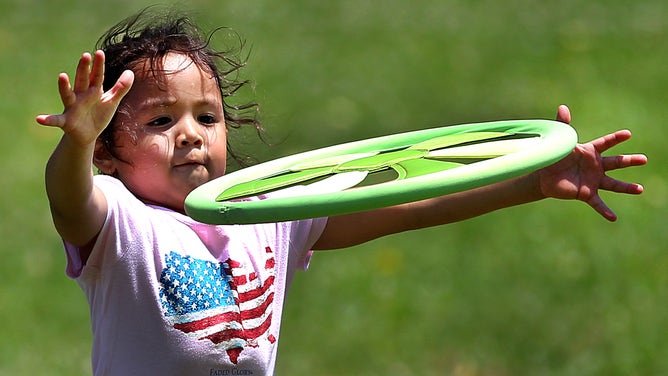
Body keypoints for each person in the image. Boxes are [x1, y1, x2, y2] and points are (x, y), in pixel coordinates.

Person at [36, 8, 647, 376]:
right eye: (161, 122)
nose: (191, 136)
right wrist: (77, 143)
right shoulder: (119, 223)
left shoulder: (265, 217)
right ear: (111, 157)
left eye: (207, 117)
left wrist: (529, 184)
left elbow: (406, 204)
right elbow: (69, 198)